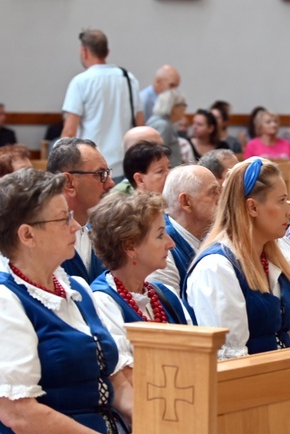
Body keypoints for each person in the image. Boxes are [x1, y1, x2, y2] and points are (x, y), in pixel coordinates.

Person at [0, 168, 133, 434]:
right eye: (62, 219)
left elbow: (115, 380)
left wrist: (152, 425)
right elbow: (19, 413)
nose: (75, 226)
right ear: (27, 235)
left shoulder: (78, 289)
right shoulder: (3, 299)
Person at [184, 157, 290, 359]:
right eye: (281, 201)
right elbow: (230, 359)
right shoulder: (216, 267)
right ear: (252, 208)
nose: (289, 211)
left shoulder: (275, 255)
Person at [89, 191, 192, 383]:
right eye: (160, 235)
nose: (171, 243)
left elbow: (196, 356)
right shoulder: (102, 302)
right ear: (130, 247)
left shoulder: (165, 294)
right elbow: (126, 379)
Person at [61, 29, 143, 178]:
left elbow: (69, 131)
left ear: (84, 51)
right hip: (124, 164)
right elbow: (140, 124)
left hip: (91, 166)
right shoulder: (128, 79)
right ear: (107, 52)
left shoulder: (81, 81)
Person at [47, 138, 115, 283]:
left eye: (108, 173)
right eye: (100, 174)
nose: (110, 183)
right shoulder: (41, 238)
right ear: (69, 183)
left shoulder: (104, 230)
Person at [149, 165, 221, 294]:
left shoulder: (215, 234)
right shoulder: (161, 245)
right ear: (186, 202)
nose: (220, 198)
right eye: (212, 192)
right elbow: (170, 309)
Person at [146, 89, 186, 167]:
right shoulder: (164, 125)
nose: (185, 109)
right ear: (174, 107)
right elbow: (159, 154)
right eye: (183, 105)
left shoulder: (157, 121)